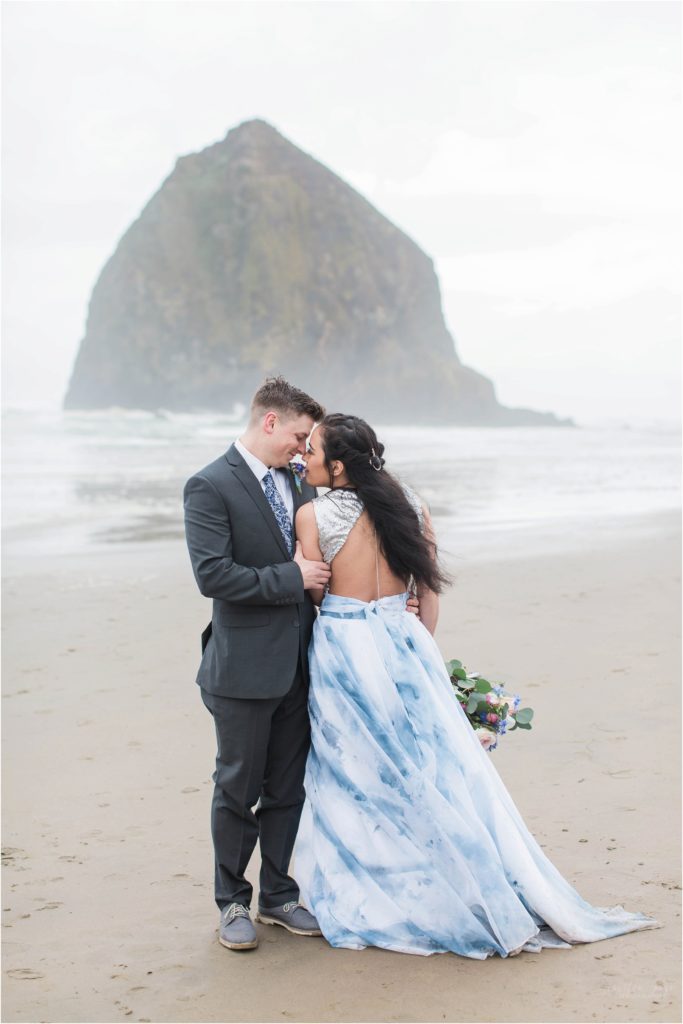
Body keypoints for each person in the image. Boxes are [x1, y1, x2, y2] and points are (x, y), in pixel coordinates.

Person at [292, 412, 660, 958]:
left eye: (314, 449)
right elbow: (429, 591)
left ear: (338, 465)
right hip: (406, 642)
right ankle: (457, 877)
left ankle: (387, 889)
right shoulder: (411, 505)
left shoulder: (311, 514)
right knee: (429, 769)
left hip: (346, 648)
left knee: (356, 773)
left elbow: (320, 598)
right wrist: (419, 652)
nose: (305, 457)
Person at [183, 377, 330, 950]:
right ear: (270, 422)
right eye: (297, 435)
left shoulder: (298, 483)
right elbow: (212, 575)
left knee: (288, 787)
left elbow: (325, 557)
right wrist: (290, 578)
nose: (301, 448)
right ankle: (231, 903)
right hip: (243, 669)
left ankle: (278, 895)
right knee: (236, 788)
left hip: (301, 662)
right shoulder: (210, 485)